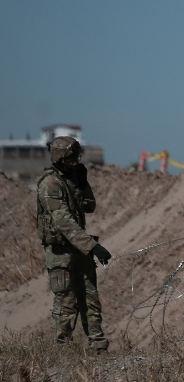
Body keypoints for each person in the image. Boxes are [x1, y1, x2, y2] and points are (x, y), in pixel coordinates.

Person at [36, 136, 113, 351]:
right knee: (66, 302)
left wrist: (83, 183)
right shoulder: (50, 183)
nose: (75, 163)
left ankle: (97, 344)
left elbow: (89, 207)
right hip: (61, 252)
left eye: (76, 158)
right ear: (59, 158)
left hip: (79, 249)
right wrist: (93, 246)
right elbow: (64, 222)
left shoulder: (72, 178)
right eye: (70, 159)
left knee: (90, 298)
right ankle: (65, 350)